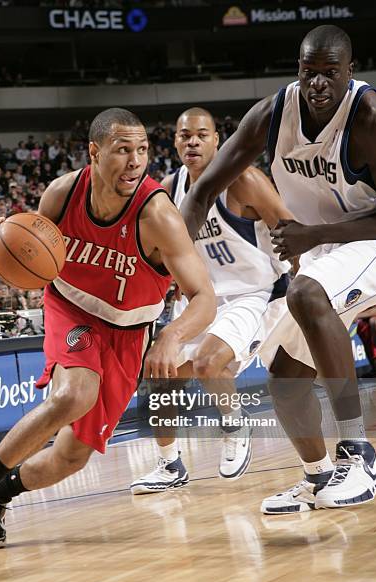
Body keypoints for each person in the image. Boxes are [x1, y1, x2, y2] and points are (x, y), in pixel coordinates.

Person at [0, 107, 216, 550]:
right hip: (72, 309)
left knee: (71, 457)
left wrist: (172, 335)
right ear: (94, 152)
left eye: (142, 150)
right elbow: (29, 254)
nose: (136, 161)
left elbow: (204, 297)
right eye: (123, 150)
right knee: (74, 393)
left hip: (129, 330)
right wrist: (2, 249)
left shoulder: (157, 214)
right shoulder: (63, 194)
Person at [181, 25, 376, 513]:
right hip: (324, 252)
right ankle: (317, 477)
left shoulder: (373, 119)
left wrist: (313, 235)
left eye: (329, 73)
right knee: (285, 376)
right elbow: (202, 191)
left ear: (350, 72)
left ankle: (361, 456)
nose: (317, 84)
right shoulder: (274, 113)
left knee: (306, 291)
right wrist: (169, 260)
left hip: (374, 239)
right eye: (308, 72)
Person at [130, 107, 292, 493]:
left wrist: (310, 284)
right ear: (175, 143)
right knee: (159, 375)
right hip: (201, 297)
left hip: (254, 293)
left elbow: (289, 227)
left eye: (202, 134)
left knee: (207, 363)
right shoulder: (169, 190)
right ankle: (169, 465)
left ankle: (236, 426)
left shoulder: (244, 181)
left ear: (217, 140)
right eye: (185, 135)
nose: (193, 142)